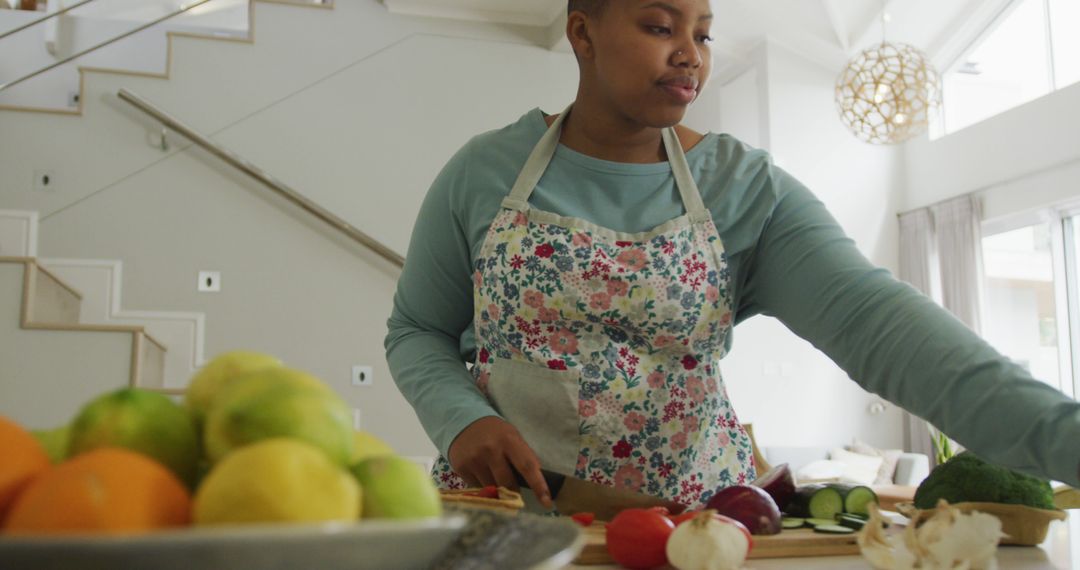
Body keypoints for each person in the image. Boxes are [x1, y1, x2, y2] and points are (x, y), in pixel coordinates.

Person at [385, 0, 1080, 513]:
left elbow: (885, 326)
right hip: (512, 510)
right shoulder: (484, 171)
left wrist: (1064, 436)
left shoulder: (746, 189)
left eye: (703, 33)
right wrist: (461, 418)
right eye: (661, 27)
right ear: (582, 30)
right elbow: (418, 328)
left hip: (690, 527)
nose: (690, 52)